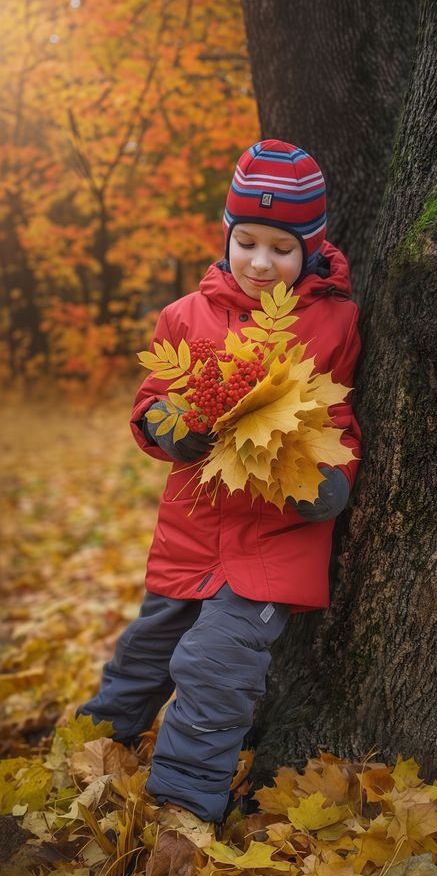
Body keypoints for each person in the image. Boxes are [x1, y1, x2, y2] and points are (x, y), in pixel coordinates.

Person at [77, 139, 361, 828]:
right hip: (193, 530)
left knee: (215, 664)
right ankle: (91, 749)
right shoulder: (186, 318)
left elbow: (340, 414)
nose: (262, 263)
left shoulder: (333, 319)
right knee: (149, 648)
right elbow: (151, 402)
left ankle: (181, 806)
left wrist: (330, 476)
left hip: (273, 538)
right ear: (227, 235)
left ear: (311, 249)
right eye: (249, 242)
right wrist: (171, 424)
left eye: (282, 249)